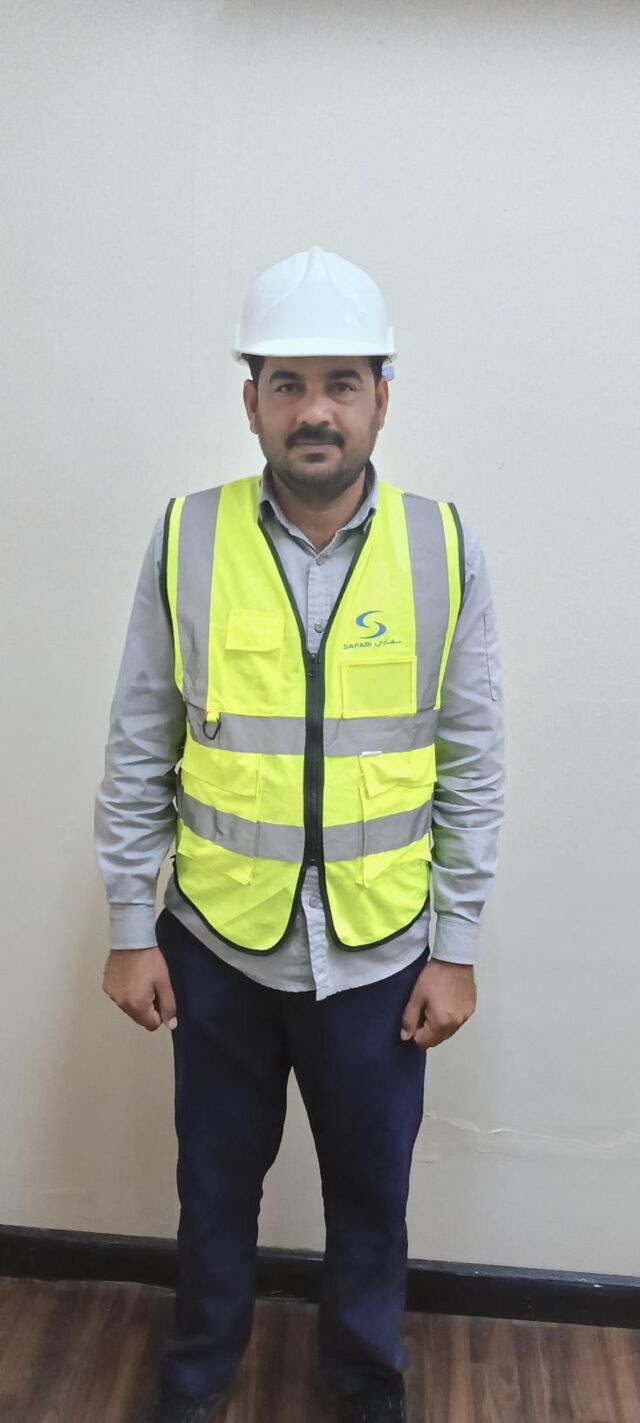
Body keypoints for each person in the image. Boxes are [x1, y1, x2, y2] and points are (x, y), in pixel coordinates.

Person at [95, 245, 505, 1423]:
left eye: (340, 383)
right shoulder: (188, 535)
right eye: (287, 384)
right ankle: (195, 1382)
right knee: (214, 1190)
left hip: (380, 957)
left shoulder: (442, 546)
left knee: (371, 1195)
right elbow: (139, 739)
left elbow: (474, 760)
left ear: (381, 399)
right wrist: (130, 926)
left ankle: (365, 1383)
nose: (313, 410)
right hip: (217, 946)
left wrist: (455, 945)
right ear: (251, 402)